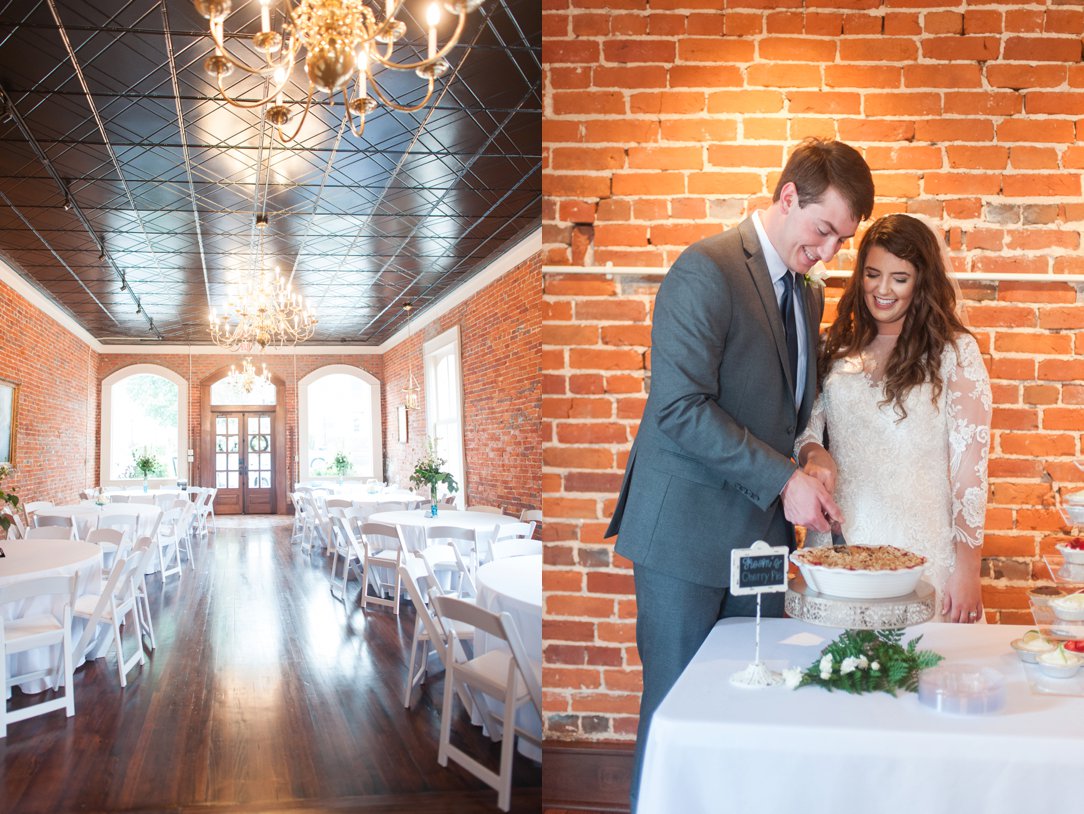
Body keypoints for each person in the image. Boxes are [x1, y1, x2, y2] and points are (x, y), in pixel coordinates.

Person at [605, 138, 874, 811]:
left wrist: (809, 457)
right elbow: (678, 407)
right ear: (788, 198)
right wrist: (785, 481)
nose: (830, 253)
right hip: (684, 545)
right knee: (675, 719)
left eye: (843, 239)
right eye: (823, 230)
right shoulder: (706, 269)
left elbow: (788, 406)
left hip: (756, 547)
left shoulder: (806, 294)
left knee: (749, 709)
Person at [796, 213, 991, 623]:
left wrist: (968, 567)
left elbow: (970, 474)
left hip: (922, 552)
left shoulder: (955, 354)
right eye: (872, 274)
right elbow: (806, 426)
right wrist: (815, 452)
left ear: (922, 281)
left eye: (899, 278)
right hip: (839, 548)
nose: (882, 290)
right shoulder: (834, 346)